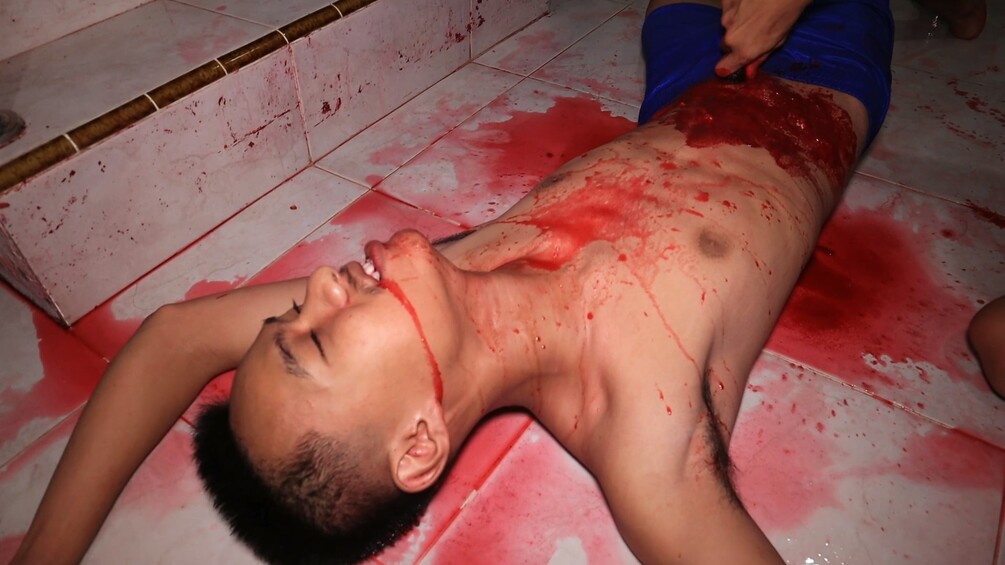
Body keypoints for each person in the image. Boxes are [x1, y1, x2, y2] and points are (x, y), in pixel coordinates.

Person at [13, 0, 900, 562]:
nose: (317, 284)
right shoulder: (643, 428)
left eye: (291, 310)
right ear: (418, 443)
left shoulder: (444, 273)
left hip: (684, 62)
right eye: (314, 338)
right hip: (827, 64)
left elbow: (172, 333)